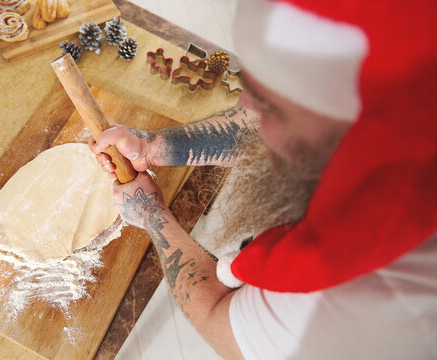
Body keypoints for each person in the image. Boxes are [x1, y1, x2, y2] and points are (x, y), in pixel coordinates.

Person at [89, 0, 437, 358]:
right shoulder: (407, 76)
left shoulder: (336, 304)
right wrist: (157, 147)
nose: (248, 105)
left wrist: (151, 213)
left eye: (272, 106)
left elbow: (216, 314)